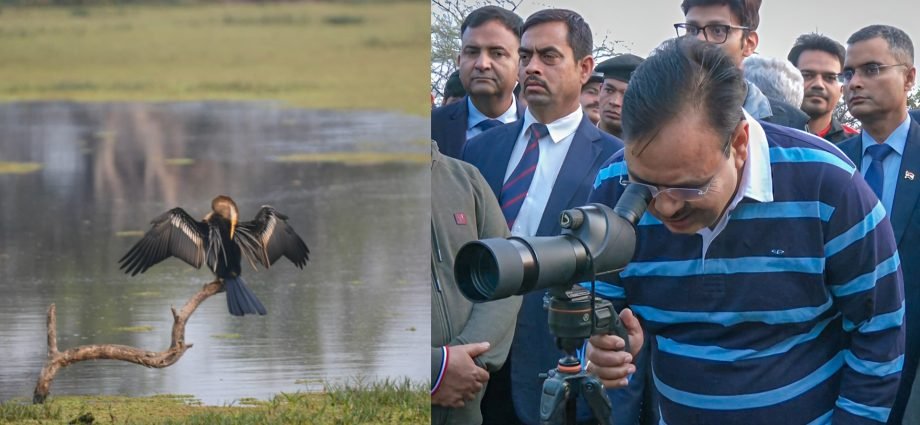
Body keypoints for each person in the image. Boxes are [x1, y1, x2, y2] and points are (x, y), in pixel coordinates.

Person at [586, 36, 904, 424]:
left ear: (738, 143)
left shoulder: (828, 184)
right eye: (645, 187)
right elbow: (603, 303)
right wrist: (605, 344)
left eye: (689, 186)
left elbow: (879, 328)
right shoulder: (613, 181)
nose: (665, 206)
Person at [462, 8, 630, 425]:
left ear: (584, 68)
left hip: (560, 366)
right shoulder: (480, 150)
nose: (532, 67)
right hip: (474, 358)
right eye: (525, 55)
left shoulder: (616, 162)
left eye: (549, 56)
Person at [837, 24, 917, 425]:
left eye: (871, 69)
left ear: (909, 77)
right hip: (837, 351)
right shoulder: (830, 161)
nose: (854, 83)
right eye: (848, 73)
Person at [431, 141, 522, 425]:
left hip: (465, 408)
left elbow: (508, 276)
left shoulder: (466, 178)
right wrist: (435, 370)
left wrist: (465, 361)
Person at [675, 0, 808, 129]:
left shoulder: (789, 123)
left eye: (718, 30)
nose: (699, 40)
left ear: (749, 44)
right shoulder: (660, 111)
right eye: (691, 30)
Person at [431, 6, 524, 159]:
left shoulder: (540, 129)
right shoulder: (429, 128)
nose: (482, 64)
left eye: (497, 53)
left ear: (520, 65)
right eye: (472, 52)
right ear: (459, 62)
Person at [788, 32, 859, 143]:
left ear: (842, 88)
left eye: (830, 77)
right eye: (807, 75)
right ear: (790, 80)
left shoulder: (857, 146)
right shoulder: (764, 135)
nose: (818, 84)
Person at [594, 54, 645, 139]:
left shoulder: (651, 150)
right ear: (600, 89)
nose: (615, 102)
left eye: (626, 95)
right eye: (609, 90)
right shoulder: (575, 140)